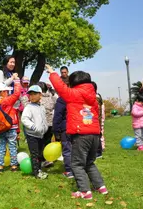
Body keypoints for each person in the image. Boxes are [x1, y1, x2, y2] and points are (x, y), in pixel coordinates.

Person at [46, 64, 108, 200]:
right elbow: (96, 114)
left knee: (77, 164)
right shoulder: (93, 97)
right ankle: (100, 186)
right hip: (95, 134)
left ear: (73, 83)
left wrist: (52, 72)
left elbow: (59, 87)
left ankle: (85, 191)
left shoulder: (73, 94)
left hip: (81, 135)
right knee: (89, 162)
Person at [0, 73, 21, 172]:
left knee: (1, 147)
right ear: (2, 93)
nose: (8, 93)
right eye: (6, 91)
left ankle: (0, 166)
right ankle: (14, 166)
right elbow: (17, 94)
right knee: (12, 146)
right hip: (10, 127)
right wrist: (16, 81)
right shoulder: (7, 101)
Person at [21, 85, 49, 179]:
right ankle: (36, 172)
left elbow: (43, 119)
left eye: (34, 94)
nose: (32, 96)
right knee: (35, 154)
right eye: (30, 94)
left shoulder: (41, 107)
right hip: (32, 135)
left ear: (40, 95)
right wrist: (33, 127)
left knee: (40, 153)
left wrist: (45, 128)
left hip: (41, 135)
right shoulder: (28, 107)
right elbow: (24, 119)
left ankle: (39, 169)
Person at [37, 81, 56, 167]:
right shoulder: (51, 97)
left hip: (41, 124)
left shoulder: (38, 99)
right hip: (50, 123)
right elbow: (53, 106)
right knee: (47, 142)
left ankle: (41, 160)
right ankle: (49, 159)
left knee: (40, 142)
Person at [91, 82, 106, 158]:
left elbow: (98, 111)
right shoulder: (98, 97)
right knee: (97, 136)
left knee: (97, 137)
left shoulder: (96, 98)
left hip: (96, 120)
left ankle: (98, 152)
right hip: (97, 120)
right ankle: (98, 151)